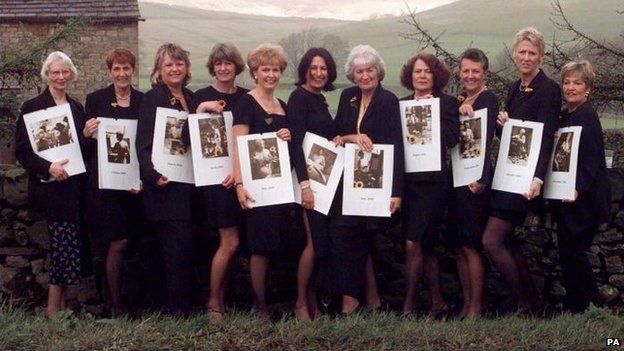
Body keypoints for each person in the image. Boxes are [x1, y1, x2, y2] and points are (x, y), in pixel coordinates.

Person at [483, 27, 561, 312]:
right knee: (508, 240)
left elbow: (547, 135)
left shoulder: (549, 89)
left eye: (532, 52)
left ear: (541, 56)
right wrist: (503, 127)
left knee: (491, 240)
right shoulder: (515, 87)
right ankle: (530, 302)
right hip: (508, 175)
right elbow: (515, 139)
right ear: (515, 54)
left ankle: (523, 303)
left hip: (527, 181)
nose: (526, 57)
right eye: (522, 52)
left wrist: (539, 177)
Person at [331, 45, 403, 314]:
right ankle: (358, 299)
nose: (365, 76)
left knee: (361, 237)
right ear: (353, 74)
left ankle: (364, 300)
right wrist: (352, 137)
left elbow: (397, 146)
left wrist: (397, 192)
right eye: (359, 71)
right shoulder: (347, 96)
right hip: (349, 182)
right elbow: (337, 135)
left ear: (378, 71)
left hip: (378, 183)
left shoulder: (388, 100)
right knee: (345, 234)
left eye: (369, 70)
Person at [15, 51, 87, 318]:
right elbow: (22, 151)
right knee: (61, 247)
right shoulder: (32, 107)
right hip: (49, 190)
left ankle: (63, 306)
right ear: (47, 75)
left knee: (69, 246)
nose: (60, 77)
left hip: (73, 189)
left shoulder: (77, 108)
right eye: (55, 72)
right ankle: (52, 308)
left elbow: (82, 151)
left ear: (71, 75)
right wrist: (49, 167)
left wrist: (88, 136)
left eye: (65, 72)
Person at [182, 42, 248, 322]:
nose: (223, 68)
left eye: (228, 63)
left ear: (237, 67)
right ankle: (213, 303)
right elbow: (184, 139)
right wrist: (198, 110)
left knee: (236, 242)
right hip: (216, 183)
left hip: (242, 181)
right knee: (229, 241)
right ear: (213, 67)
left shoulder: (246, 98)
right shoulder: (202, 96)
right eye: (218, 64)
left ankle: (222, 298)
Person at [82, 48, 144, 317]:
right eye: (116, 69)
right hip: (104, 185)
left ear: (133, 70)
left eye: (126, 68)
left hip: (134, 186)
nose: (122, 74)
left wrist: (142, 179)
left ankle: (124, 302)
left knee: (131, 243)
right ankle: (114, 304)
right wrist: (86, 133)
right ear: (110, 72)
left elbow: (146, 144)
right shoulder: (95, 99)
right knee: (115, 242)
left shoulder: (143, 101)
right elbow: (88, 147)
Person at [232, 43, 292, 318]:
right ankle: (260, 307)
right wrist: (240, 185)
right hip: (255, 188)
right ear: (255, 73)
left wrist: (287, 138)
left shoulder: (283, 105)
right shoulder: (246, 102)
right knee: (259, 247)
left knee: (276, 245)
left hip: (279, 188)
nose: (270, 74)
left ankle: (269, 303)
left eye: (275, 69)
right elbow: (238, 144)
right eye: (265, 69)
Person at [399, 52, 459, 318]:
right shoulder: (400, 104)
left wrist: (428, 113)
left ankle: (408, 305)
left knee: (413, 244)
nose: (422, 76)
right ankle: (438, 301)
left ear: (436, 76)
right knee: (426, 245)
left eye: (427, 72)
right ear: (409, 77)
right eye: (417, 72)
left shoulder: (446, 104)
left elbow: (453, 139)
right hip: (408, 183)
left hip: (434, 184)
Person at [136, 43, 195, 315]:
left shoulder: (193, 98)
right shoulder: (153, 98)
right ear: (159, 70)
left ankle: (180, 305)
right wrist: (152, 175)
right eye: (169, 64)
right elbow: (143, 143)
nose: (175, 69)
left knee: (185, 247)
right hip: (164, 183)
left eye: (179, 63)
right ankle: (174, 310)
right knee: (171, 248)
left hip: (189, 184)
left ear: (187, 68)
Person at [287, 47, 339, 322]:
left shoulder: (319, 99)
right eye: (314, 68)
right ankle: (300, 304)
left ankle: (315, 304)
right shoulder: (299, 98)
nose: (319, 73)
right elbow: (296, 143)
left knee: (320, 243)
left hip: (324, 183)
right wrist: (305, 186)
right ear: (305, 70)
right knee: (313, 243)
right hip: (308, 183)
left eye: (324, 69)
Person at [554, 59, 609, 312]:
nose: (571, 87)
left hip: (584, 199)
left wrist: (577, 188)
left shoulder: (588, 115)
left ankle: (591, 306)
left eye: (577, 83)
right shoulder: (567, 115)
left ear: (587, 87)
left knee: (574, 253)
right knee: (568, 252)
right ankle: (578, 305)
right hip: (567, 197)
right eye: (567, 82)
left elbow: (592, 159)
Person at [447, 48, 499, 319]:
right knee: (458, 246)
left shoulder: (489, 100)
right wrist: (458, 109)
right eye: (465, 70)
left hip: (474, 182)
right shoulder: (461, 100)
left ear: (484, 73)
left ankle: (476, 307)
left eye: (475, 71)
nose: (469, 75)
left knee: (471, 244)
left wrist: (483, 180)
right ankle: (467, 303)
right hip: (455, 179)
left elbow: (488, 141)